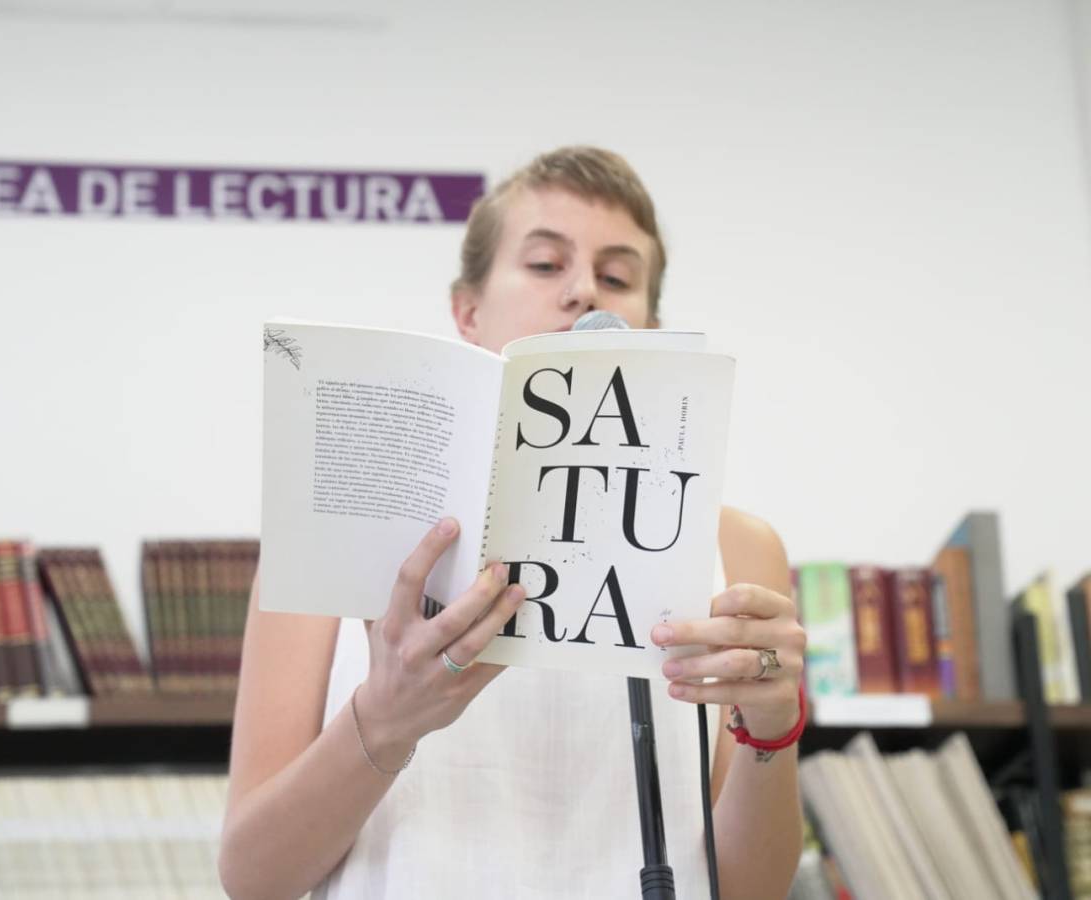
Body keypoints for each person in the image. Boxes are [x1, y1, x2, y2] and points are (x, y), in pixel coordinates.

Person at [218, 147, 806, 899]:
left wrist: (773, 726)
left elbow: (751, 890)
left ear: (650, 328)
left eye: (618, 277)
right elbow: (253, 878)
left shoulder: (736, 549)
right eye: (543, 265)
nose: (584, 290)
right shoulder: (339, 533)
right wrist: (384, 721)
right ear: (468, 312)